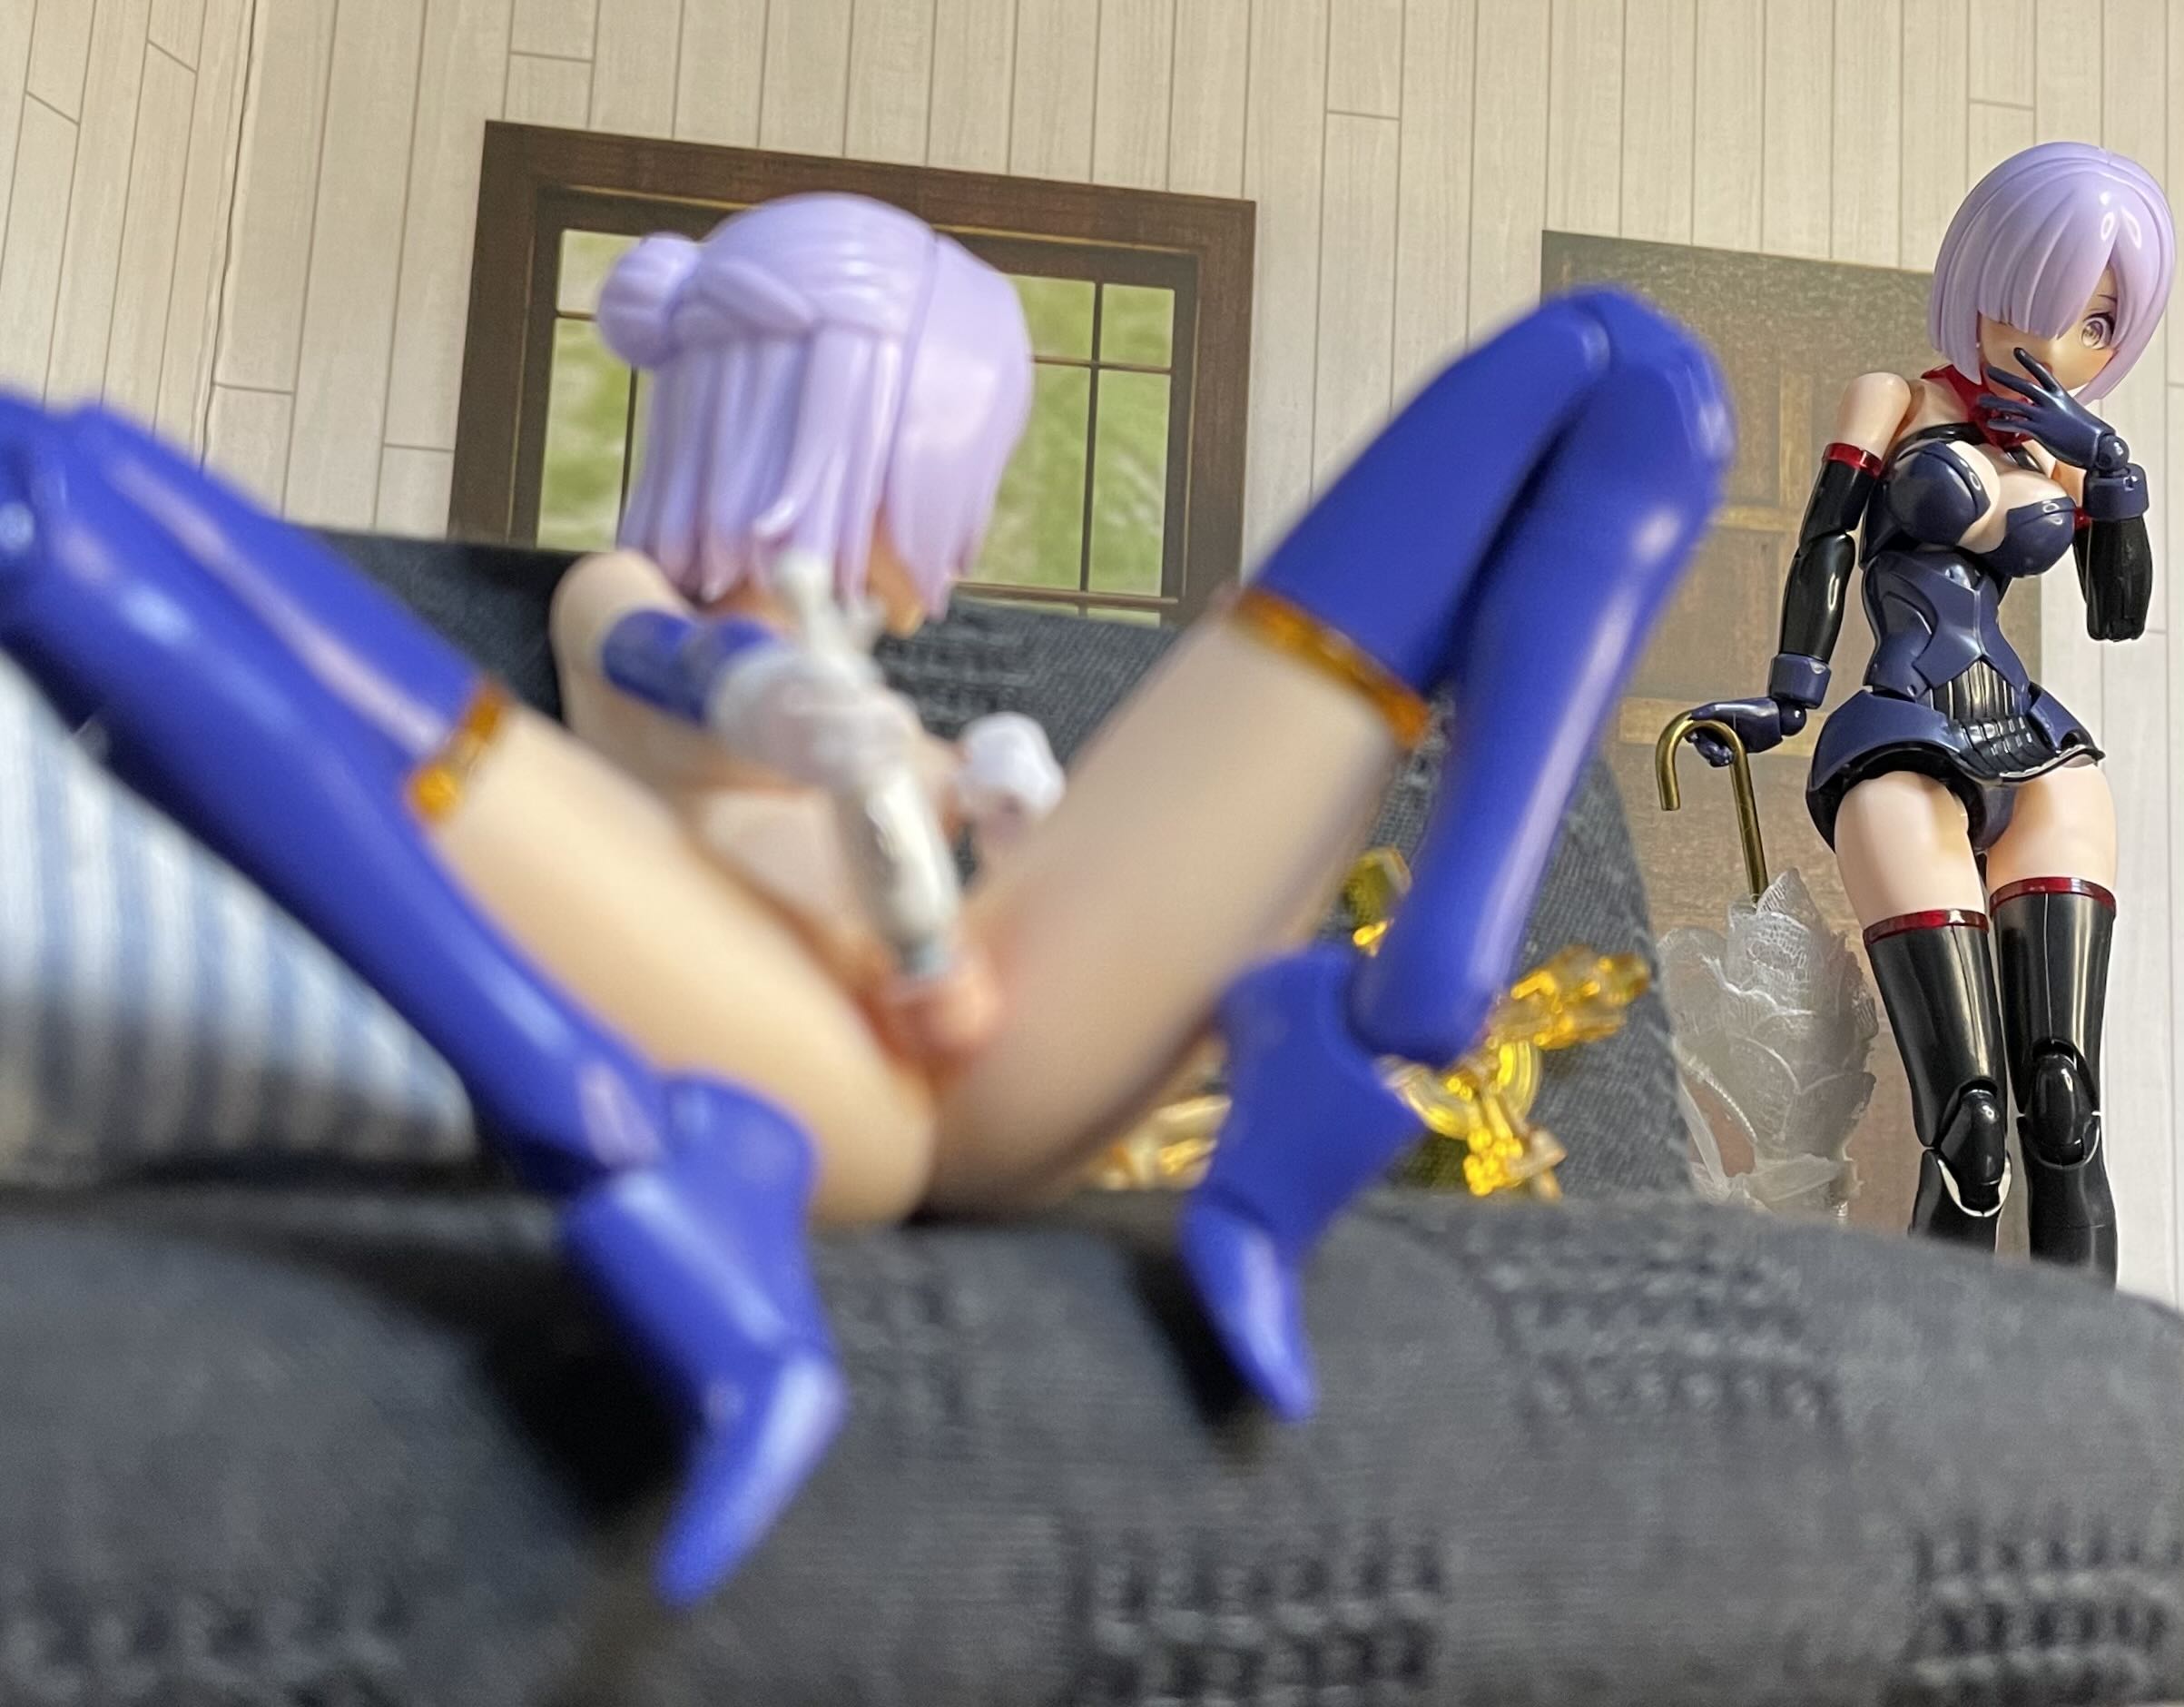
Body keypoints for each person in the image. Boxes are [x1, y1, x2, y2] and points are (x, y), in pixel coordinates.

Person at [0, 192, 1730, 1601]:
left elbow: (897, 801)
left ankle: (1382, 1016)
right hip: (845, 1089)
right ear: (832, 441)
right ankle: (637, 1154)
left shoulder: (861, 682)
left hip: (987, 1008)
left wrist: (970, 786)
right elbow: (663, 667)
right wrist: (774, 706)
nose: (955, 550)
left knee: (1617, 373)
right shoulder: (637, 598)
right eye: (945, 486)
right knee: (65, 494)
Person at [1678, 143, 2174, 1282]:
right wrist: (1790, 696)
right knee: (1973, 1123)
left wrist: (2111, 467)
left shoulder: (2059, 448)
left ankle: (2091, 1379)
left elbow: (2117, 614)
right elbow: (1828, 544)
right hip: (1904, 738)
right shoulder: (1894, 401)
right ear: (1989, 278)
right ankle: (1934, 1370)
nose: (2064, 345)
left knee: (2065, 1104)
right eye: (2047, 302)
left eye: (2099, 324)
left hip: (2039, 752)